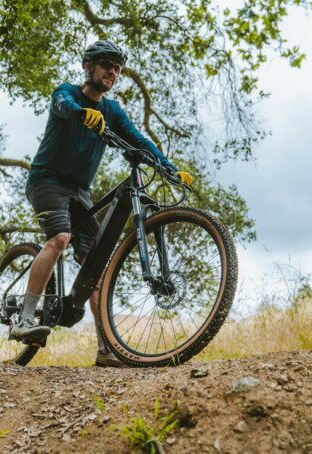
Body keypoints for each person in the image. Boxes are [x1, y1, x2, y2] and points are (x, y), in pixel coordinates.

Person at [13, 40, 193, 367]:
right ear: (89, 67)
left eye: (117, 68)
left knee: (94, 265)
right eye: (107, 65)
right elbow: (64, 105)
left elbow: (139, 140)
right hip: (46, 181)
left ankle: (105, 348)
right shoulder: (66, 92)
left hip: (80, 191)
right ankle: (24, 318)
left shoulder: (112, 110)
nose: (112, 72)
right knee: (59, 239)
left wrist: (169, 169)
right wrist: (83, 113)